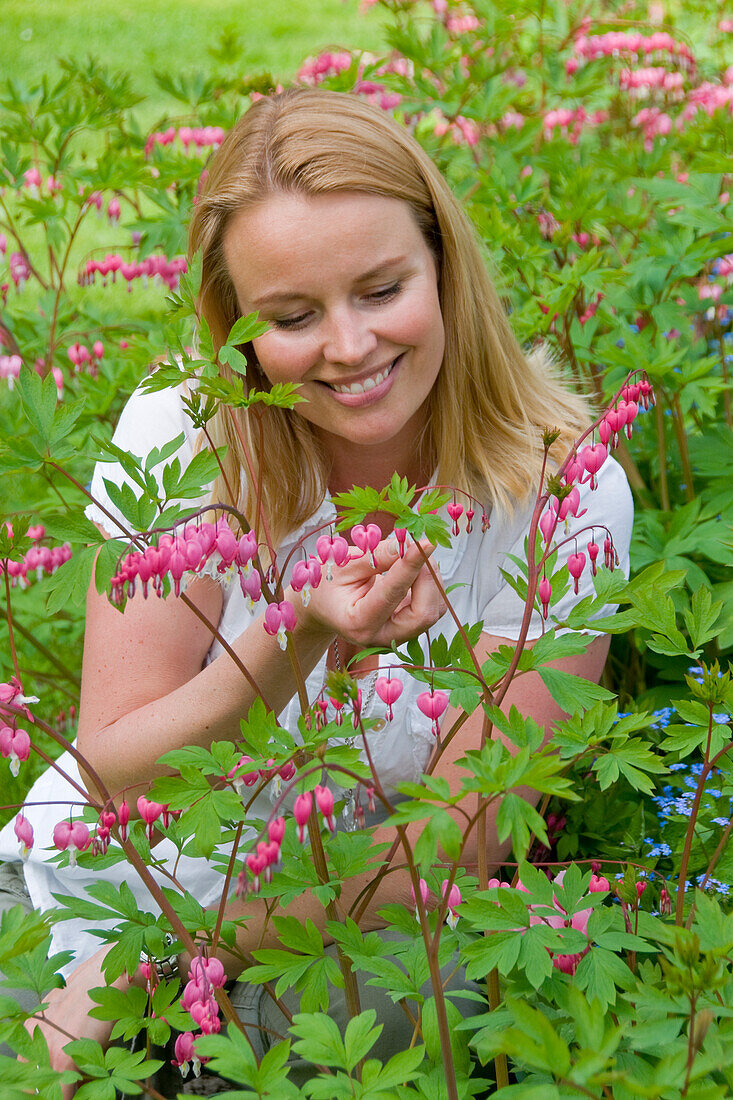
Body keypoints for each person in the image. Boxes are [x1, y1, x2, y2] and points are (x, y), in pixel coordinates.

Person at [1, 87, 633, 1089]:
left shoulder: (563, 490)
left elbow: (456, 844)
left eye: (381, 290)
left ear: (444, 266)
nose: (347, 348)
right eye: (292, 316)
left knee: (429, 994)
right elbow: (113, 776)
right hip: (87, 901)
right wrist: (290, 630)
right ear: (237, 332)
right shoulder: (183, 433)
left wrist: (167, 965)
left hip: (326, 927)